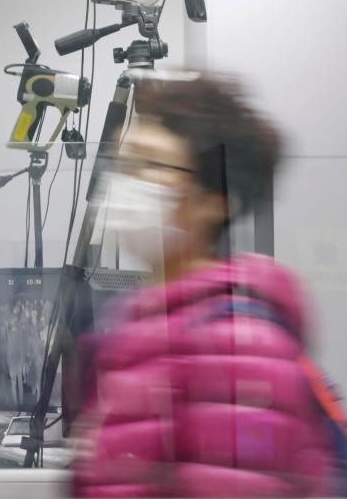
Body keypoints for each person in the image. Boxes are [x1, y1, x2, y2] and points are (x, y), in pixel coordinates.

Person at [72, 74, 336, 497]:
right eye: (125, 165)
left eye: (152, 165)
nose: (126, 183)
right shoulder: (135, 325)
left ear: (215, 200)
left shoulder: (236, 341)